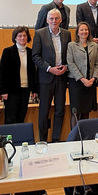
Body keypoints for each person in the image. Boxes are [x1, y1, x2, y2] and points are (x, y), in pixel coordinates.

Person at [32, 9, 71, 142]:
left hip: (61, 77)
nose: (54, 21)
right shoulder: (39, 34)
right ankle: (43, 140)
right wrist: (49, 69)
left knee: (60, 111)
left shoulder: (67, 34)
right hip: (46, 78)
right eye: (51, 19)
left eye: (56, 18)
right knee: (44, 111)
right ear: (47, 20)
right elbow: (35, 56)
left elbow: (69, 54)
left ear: (60, 20)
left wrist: (66, 66)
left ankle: (56, 140)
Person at [0, 26, 38, 124]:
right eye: (19, 36)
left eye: (24, 36)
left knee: (21, 117)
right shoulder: (8, 51)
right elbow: (3, 72)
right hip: (11, 91)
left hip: (25, 90)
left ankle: (19, 139)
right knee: (10, 118)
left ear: (28, 37)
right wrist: (3, 91)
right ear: (15, 38)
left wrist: (34, 89)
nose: (22, 38)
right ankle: (10, 139)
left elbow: (33, 72)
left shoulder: (31, 52)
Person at [67, 22, 98, 127]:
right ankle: (75, 138)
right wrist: (82, 79)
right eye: (81, 30)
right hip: (76, 83)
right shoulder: (71, 45)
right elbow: (70, 63)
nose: (84, 32)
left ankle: (85, 138)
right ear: (77, 32)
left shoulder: (94, 45)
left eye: (86, 30)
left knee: (86, 111)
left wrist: (94, 78)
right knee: (76, 112)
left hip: (90, 83)